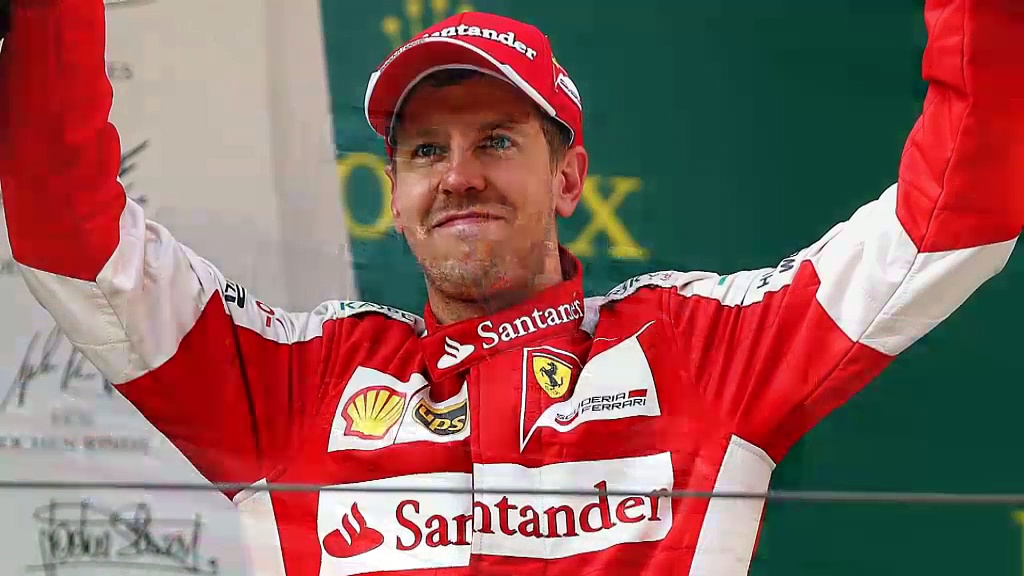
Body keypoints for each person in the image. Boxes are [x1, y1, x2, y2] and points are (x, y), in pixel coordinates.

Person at [1, 0, 1021, 574]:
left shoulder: (699, 349)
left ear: (569, 178)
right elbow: (75, 244)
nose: (458, 176)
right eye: (424, 151)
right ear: (394, 197)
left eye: (496, 140)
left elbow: (950, 220)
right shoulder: (298, 382)